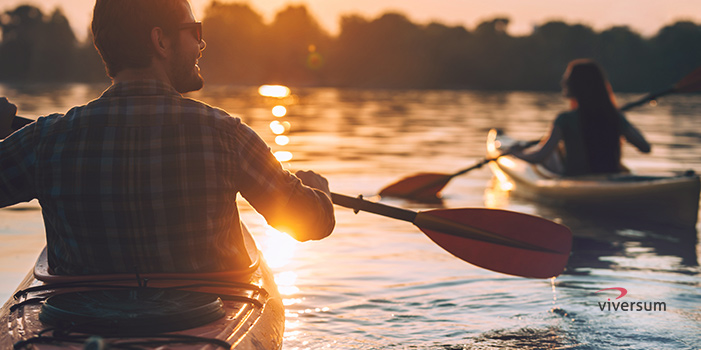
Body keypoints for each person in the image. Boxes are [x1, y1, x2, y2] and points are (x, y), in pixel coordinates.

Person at [0, 0, 335, 275]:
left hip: (79, 323)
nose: (201, 44)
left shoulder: (45, 140)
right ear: (160, 41)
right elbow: (309, 223)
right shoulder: (227, 137)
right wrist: (318, 193)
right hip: (196, 319)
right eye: (194, 31)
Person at [509, 59, 651, 176]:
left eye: (568, 79)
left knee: (552, 155)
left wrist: (515, 154)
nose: (563, 83)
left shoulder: (564, 120)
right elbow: (645, 147)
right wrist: (619, 118)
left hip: (576, 181)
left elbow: (539, 157)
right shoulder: (614, 117)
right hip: (611, 179)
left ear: (577, 85)